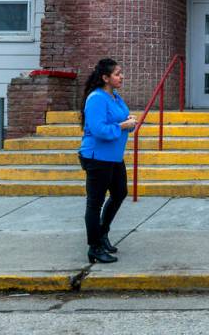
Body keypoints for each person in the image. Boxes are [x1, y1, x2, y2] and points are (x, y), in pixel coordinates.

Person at [79, 58, 137, 264]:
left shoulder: (115, 97)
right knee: (95, 203)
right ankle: (94, 247)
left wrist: (129, 121)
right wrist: (123, 125)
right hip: (96, 157)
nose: (121, 77)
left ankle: (102, 233)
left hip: (113, 157)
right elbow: (99, 130)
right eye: (117, 74)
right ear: (105, 77)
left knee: (120, 193)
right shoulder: (96, 98)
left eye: (121, 73)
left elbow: (120, 119)